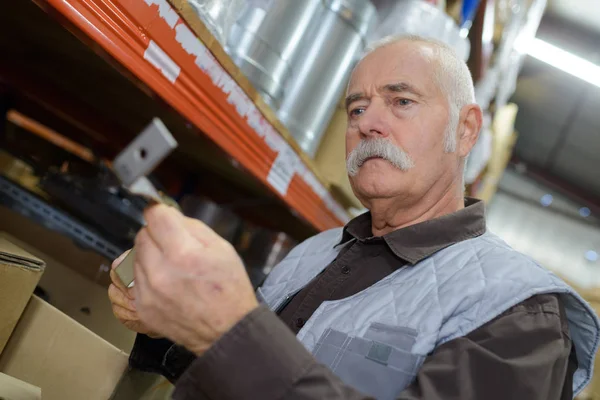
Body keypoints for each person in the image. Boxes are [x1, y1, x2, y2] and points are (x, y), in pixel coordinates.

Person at [108, 35, 599, 400]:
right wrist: (174, 322)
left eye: (401, 101)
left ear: (466, 130)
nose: (367, 123)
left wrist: (230, 332)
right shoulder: (312, 254)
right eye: (356, 107)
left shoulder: (519, 313)